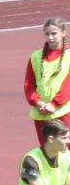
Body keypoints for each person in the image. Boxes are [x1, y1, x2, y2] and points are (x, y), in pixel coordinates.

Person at [23, 18, 69, 146]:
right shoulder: (36, 57)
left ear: (63, 33)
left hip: (63, 111)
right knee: (48, 149)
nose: (50, 37)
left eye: (54, 33)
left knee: (66, 148)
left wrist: (54, 104)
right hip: (41, 113)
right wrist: (37, 103)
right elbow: (29, 85)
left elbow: (68, 85)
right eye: (47, 34)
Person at [20, 119, 70, 185]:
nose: (68, 141)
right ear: (51, 139)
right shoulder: (31, 159)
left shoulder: (67, 156)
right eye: (64, 138)